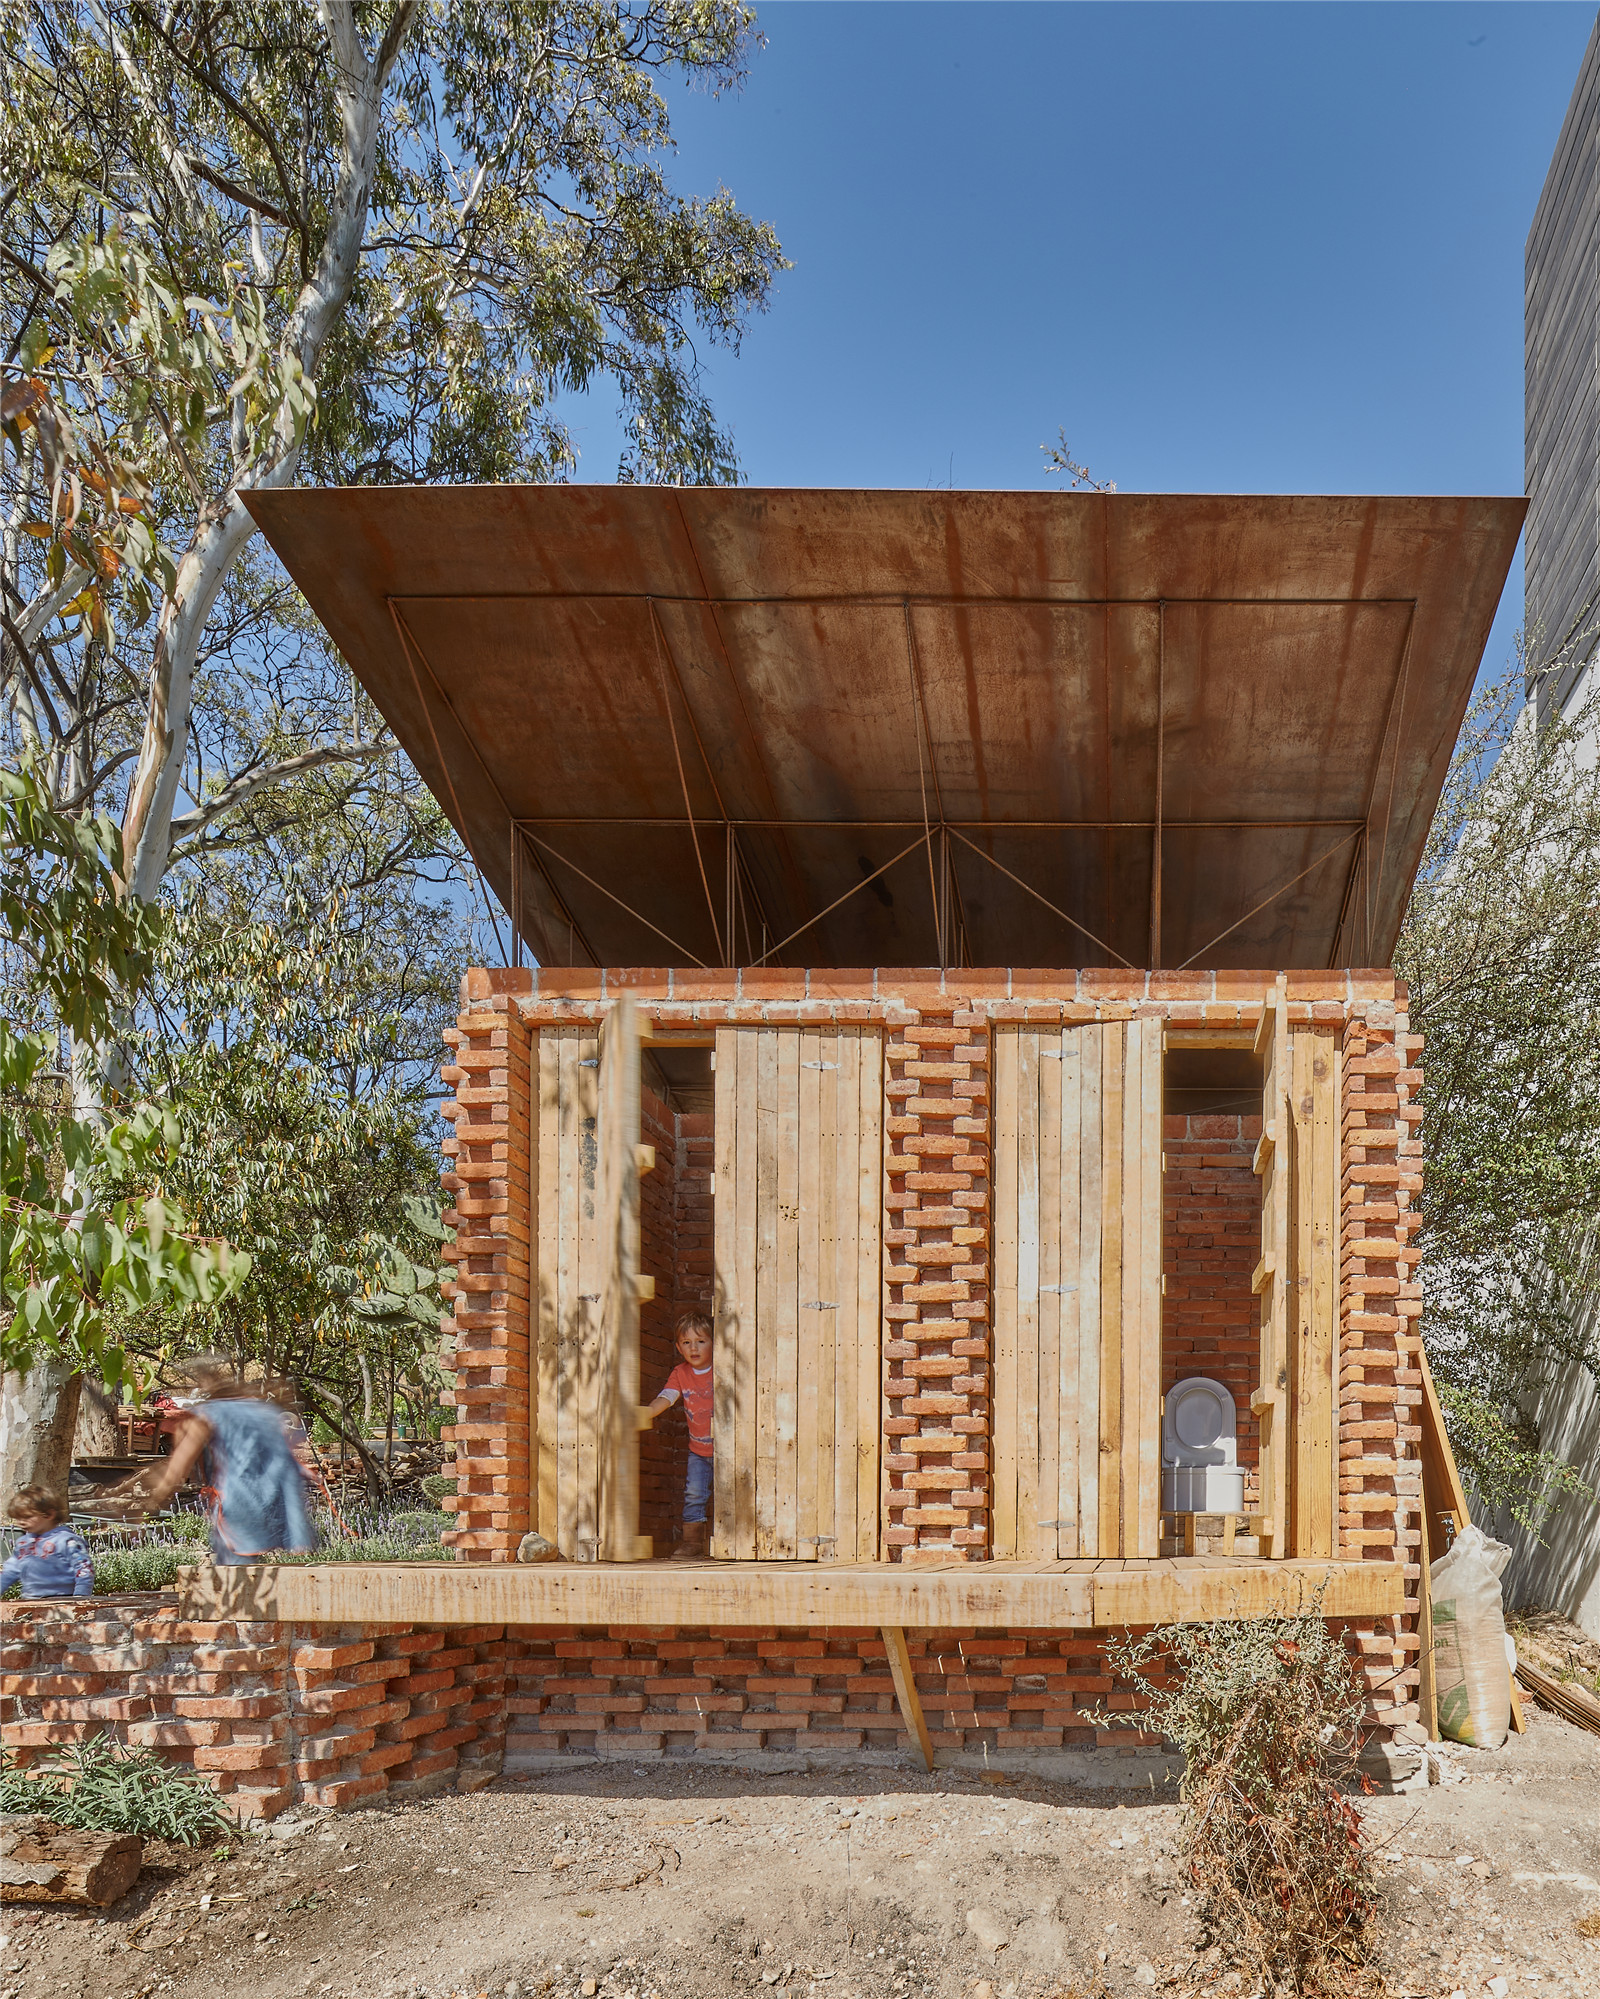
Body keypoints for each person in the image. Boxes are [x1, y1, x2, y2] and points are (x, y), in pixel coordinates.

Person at [105, 1357, 316, 1565]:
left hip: (240, 1508)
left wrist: (148, 1503)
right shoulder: (267, 1412)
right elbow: (289, 1459)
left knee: (235, 1574)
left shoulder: (209, 1415)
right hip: (279, 1505)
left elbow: (177, 1468)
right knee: (285, 1572)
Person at [643, 1310, 715, 1559]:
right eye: (686, 1342)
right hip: (699, 1450)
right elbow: (667, 1396)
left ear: (713, 1343)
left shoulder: (722, 1368)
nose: (693, 1348)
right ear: (678, 1347)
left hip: (730, 1447)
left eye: (701, 1341)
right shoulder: (680, 1373)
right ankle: (692, 1543)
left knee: (734, 1491)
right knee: (694, 1494)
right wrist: (647, 1412)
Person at [2, 1485, 94, 1598]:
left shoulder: (66, 1541)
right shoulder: (23, 1543)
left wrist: (81, 1596)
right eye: (18, 1518)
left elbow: (84, 1569)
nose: (21, 1522)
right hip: (31, 1598)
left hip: (63, 1598)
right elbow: (10, 1570)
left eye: (27, 1517)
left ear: (49, 1514)